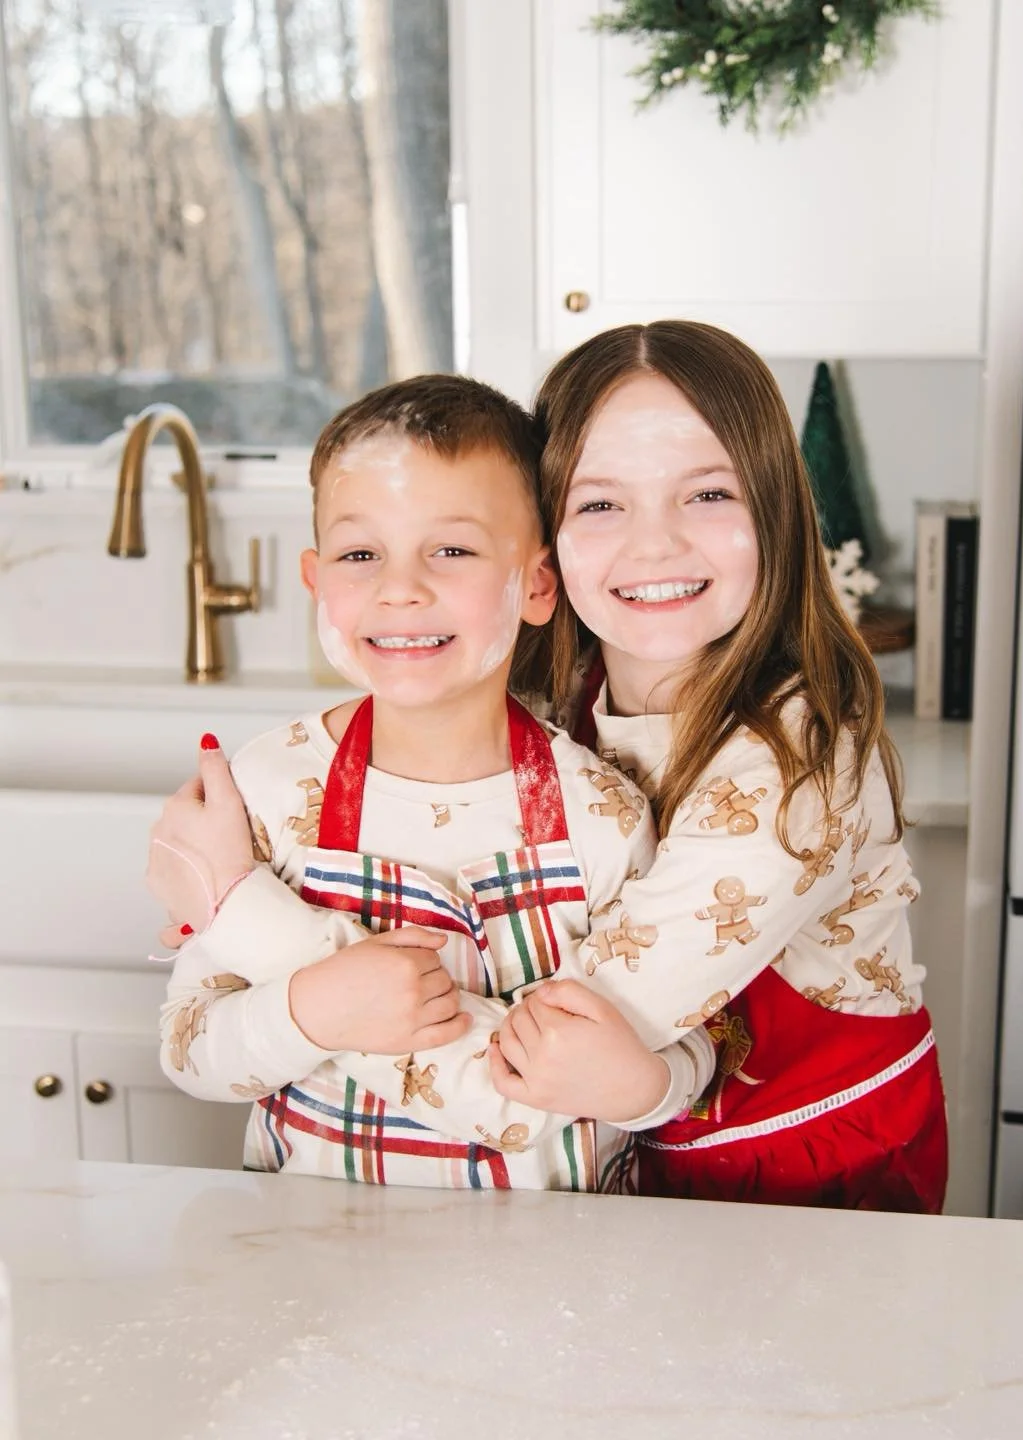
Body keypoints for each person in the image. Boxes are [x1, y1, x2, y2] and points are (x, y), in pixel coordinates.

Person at [154, 321, 947, 1212]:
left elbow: (531, 1083)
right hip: (619, 1186)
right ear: (549, 544)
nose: (654, 546)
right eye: (601, 504)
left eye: (709, 494)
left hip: (804, 1181)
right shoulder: (556, 699)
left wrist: (239, 910)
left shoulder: (796, 770)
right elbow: (197, 1035)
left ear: (776, 508)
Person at [153, 373, 714, 1191]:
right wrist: (312, 1008)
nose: (400, 588)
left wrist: (649, 1089)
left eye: (452, 551)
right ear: (316, 581)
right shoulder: (268, 791)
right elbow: (188, 1046)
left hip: (559, 1254)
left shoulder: (602, 815)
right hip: (317, 1246)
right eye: (360, 555)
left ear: (537, 585)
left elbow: (686, 1038)